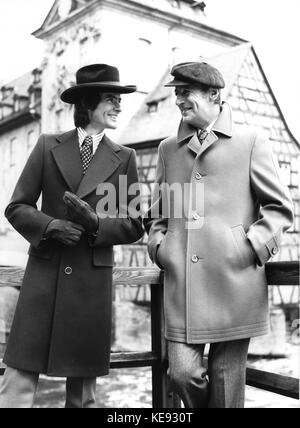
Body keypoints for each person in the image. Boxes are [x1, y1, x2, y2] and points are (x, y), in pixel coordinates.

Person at [144, 61, 294, 408]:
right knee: (181, 373)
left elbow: (279, 207)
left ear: (213, 94)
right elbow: (157, 213)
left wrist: (248, 248)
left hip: (235, 283)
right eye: (177, 93)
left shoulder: (252, 141)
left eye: (186, 92)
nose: (179, 100)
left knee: (227, 385)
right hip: (183, 286)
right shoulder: (168, 148)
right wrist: (159, 246)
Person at [0, 64, 144, 408]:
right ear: (88, 103)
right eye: (112, 98)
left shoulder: (126, 158)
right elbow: (17, 207)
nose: (119, 106)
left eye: (119, 100)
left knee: (83, 396)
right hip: (44, 276)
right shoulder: (48, 145)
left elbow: (136, 224)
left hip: (90, 284)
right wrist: (50, 226)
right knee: (17, 383)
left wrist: (95, 223)